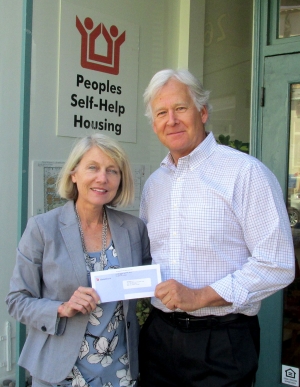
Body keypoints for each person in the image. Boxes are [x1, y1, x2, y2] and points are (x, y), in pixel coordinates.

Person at [138, 69, 295, 387]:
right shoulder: (154, 185)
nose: (172, 120)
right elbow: (146, 258)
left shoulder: (245, 173)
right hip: (158, 339)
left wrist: (201, 296)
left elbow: (277, 264)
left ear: (203, 112)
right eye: (161, 113)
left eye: (180, 108)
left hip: (222, 342)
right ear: (154, 124)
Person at [6, 134, 151, 387]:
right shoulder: (42, 228)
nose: (102, 178)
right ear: (74, 173)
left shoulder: (133, 228)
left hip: (119, 370)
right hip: (61, 371)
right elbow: (16, 301)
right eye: (92, 167)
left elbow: (147, 286)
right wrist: (61, 308)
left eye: (112, 170)